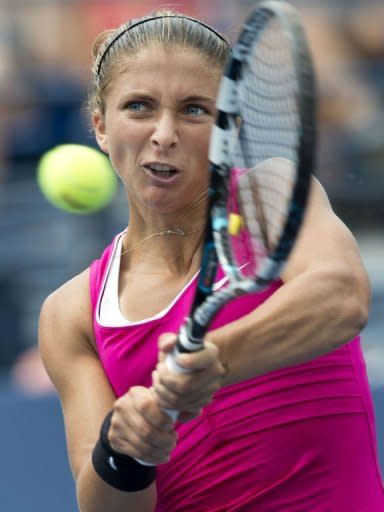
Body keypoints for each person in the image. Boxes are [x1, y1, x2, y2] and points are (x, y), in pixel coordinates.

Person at [38, 10, 384, 512]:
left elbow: (342, 297)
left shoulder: (270, 194)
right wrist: (125, 450)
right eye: (138, 107)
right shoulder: (70, 313)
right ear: (100, 127)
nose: (164, 133)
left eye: (195, 110)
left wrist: (214, 360)